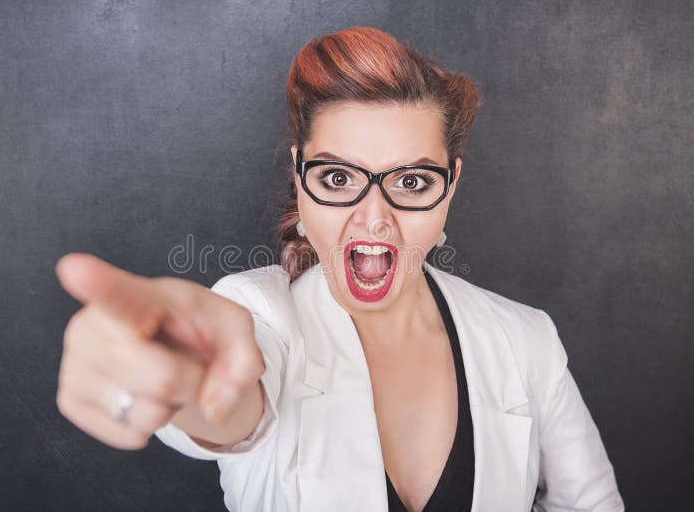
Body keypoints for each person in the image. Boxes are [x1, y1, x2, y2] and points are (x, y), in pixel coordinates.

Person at [54, 26, 624, 512]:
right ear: (301, 178)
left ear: (451, 185)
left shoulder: (526, 339)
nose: (374, 218)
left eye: (411, 182)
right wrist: (186, 380)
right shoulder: (261, 315)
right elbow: (232, 400)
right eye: (338, 178)